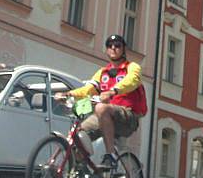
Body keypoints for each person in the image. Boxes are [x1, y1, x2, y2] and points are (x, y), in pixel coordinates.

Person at [56, 34, 147, 168]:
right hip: (104, 116)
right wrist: (68, 94)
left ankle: (111, 154)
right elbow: (88, 89)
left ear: (123, 49)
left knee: (101, 108)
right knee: (78, 136)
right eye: (110, 46)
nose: (113, 48)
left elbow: (132, 81)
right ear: (106, 50)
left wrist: (113, 91)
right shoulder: (102, 72)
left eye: (117, 45)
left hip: (128, 116)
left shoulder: (132, 67)